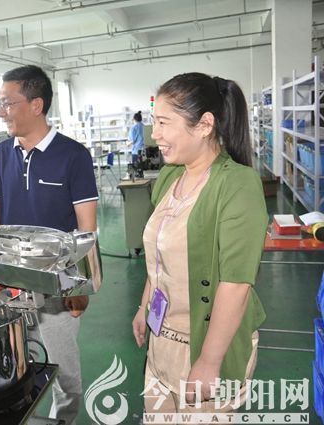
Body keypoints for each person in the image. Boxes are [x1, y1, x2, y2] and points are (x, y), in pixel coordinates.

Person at [131, 72, 267, 419]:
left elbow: (236, 284)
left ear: (205, 125)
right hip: (162, 340)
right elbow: (159, 254)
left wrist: (209, 360)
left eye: (164, 123)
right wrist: (144, 306)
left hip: (206, 343)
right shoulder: (170, 176)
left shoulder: (237, 185)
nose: (155, 133)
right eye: (154, 121)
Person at [0, 65, 98, 425]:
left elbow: (86, 228)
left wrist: (82, 286)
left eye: (7, 103)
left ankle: (63, 420)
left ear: (36, 105)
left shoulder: (73, 156)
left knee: (65, 373)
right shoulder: (1, 154)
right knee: (11, 368)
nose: (1, 112)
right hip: (9, 284)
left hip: (55, 287)